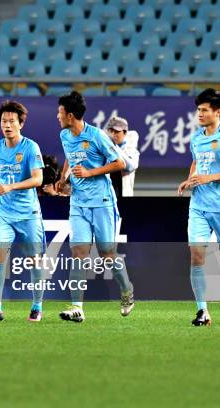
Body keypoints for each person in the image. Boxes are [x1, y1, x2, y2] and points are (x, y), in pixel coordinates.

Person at [55, 91, 135, 323]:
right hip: (78, 202)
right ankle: (77, 307)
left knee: (107, 254)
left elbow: (119, 163)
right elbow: (71, 157)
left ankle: (127, 290)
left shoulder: (98, 136)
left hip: (102, 202)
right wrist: (63, 178)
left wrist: (90, 172)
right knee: (78, 252)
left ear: (70, 115)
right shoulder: (65, 135)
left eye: (60, 112)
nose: (57, 116)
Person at [177, 88, 220, 326]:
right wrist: (191, 179)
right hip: (198, 206)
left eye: (205, 110)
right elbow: (196, 162)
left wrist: (210, 178)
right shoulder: (197, 137)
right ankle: (202, 312)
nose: (200, 113)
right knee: (196, 257)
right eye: (198, 109)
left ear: (217, 112)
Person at [0, 100, 46, 322]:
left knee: (35, 259)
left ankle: (36, 306)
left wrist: (11, 187)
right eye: (3, 121)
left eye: (11, 121)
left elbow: (38, 179)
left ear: (21, 124)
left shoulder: (30, 147)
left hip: (28, 214)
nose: (7, 125)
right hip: (4, 215)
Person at [106, 116, 140, 198]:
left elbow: (130, 167)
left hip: (124, 194)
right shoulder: (105, 148)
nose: (114, 134)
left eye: (117, 131)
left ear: (124, 133)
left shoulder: (131, 150)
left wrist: (113, 147)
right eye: (111, 131)